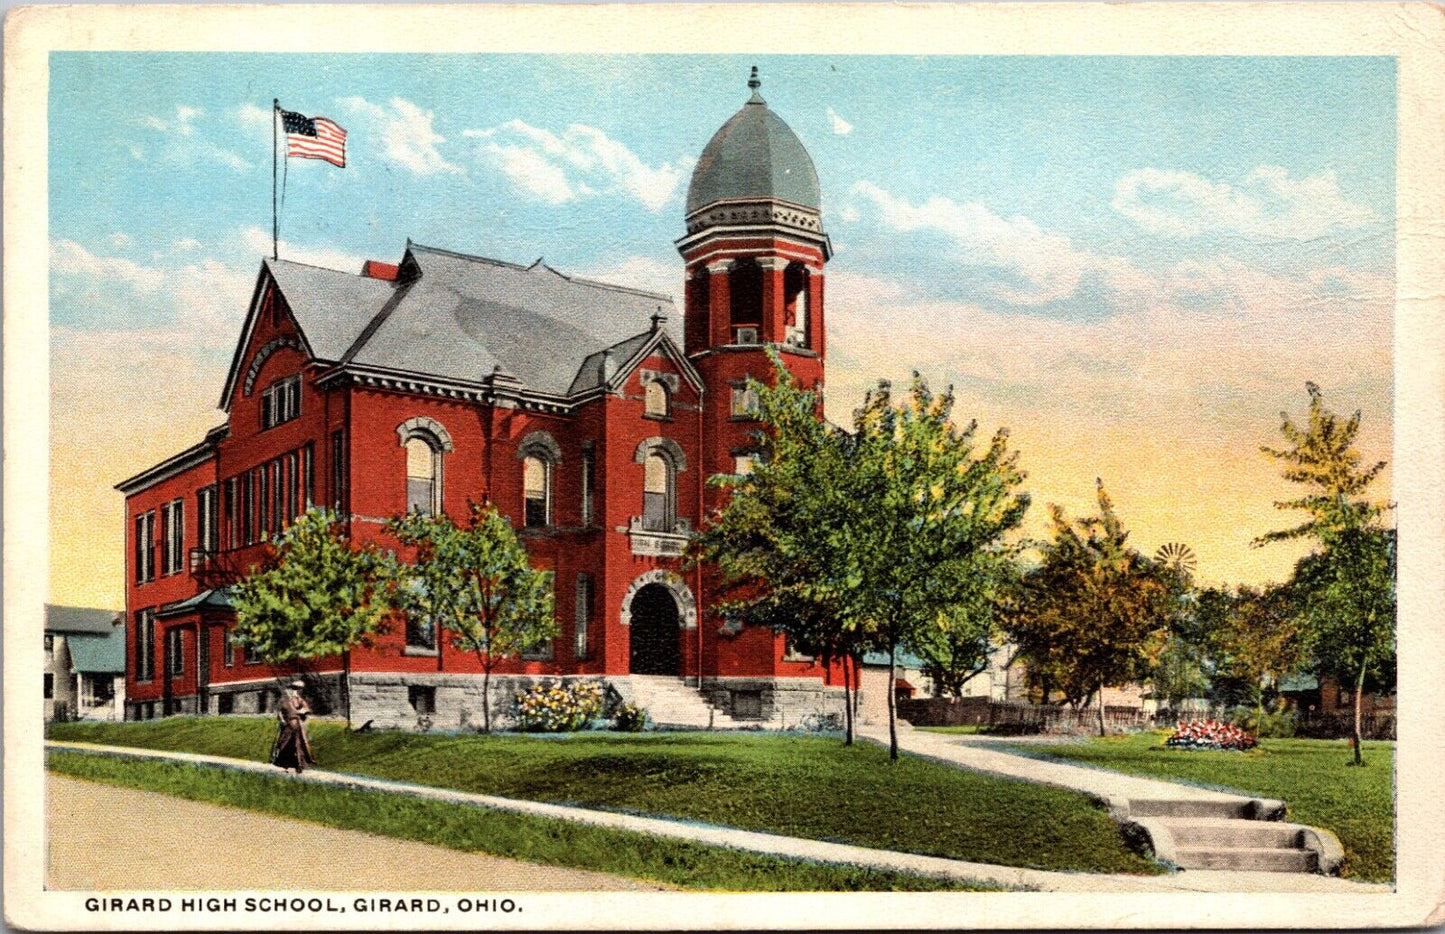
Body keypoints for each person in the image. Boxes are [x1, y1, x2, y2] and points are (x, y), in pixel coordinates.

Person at [270, 679, 315, 774]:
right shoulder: (284, 700)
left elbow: (306, 710)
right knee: (285, 744)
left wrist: (300, 712)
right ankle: (286, 765)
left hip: (298, 725)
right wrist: (282, 720)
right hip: (288, 725)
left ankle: (299, 765)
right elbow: (280, 712)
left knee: (298, 745)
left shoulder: (299, 700)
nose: (294, 691)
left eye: (297, 689)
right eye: (293, 688)